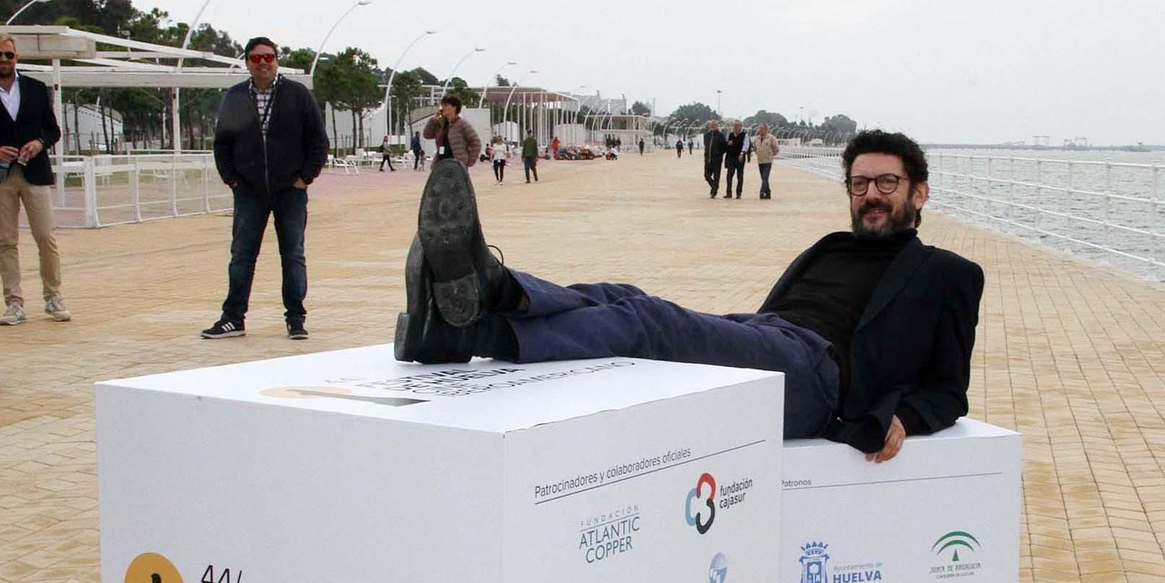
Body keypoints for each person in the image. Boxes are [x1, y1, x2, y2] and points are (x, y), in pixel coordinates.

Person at [396, 129, 982, 462]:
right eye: (859, 183)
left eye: (887, 183)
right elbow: (777, 314)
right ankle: (475, 307)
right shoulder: (832, 246)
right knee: (619, 295)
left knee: (649, 321)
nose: (871, 194)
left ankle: (479, 310)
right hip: (771, 340)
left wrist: (906, 417)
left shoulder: (948, 273)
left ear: (920, 193)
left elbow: (949, 389)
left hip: (819, 378)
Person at [204, 36, 328, 340]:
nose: (263, 63)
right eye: (256, 58)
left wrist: (305, 177)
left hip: (290, 191)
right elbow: (222, 143)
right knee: (242, 255)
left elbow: (318, 140)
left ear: (277, 60)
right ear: (247, 62)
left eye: (268, 57)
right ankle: (233, 319)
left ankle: (296, 319)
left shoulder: (297, 94)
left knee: (293, 254)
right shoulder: (235, 96)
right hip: (249, 192)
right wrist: (232, 179)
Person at [0, 32, 68, 326]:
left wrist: (40, 143)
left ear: (17, 57)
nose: (4, 59)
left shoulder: (36, 89)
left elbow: (53, 130)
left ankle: (53, 296)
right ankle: (13, 302)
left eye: (9, 54)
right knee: (6, 240)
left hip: (34, 172)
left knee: (45, 236)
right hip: (0, 175)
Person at [422, 95, 481, 167]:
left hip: (457, 165)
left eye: (445, 106)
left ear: (454, 107)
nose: (442, 108)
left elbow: (476, 142)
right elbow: (427, 135)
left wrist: (469, 161)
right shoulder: (440, 123)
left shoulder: (462, 124)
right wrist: (433, 120)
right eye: (442, 105)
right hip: (440, 162)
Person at [753, 123, 781, 200]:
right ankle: (768, 193)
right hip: (760, 161)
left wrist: (771, 155)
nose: (760, 130)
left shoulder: (771, 138)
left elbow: (776, 149)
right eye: (759, 129)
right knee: (763, 178)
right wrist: (758, 153)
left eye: (762, 129)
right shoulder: (756, 139)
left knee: (765, 176)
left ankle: (762, 192)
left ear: (766, 130)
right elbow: (754, 148)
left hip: (768, 161)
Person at [723, 119, 748, 199]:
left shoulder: (744, 135)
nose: (735, 127)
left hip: (740, 157)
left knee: (740, 176)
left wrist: (742, 153)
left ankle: (738, 193)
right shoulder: (730, 135)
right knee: (729, 175)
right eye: (735, 125)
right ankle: (728, 193)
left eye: (737, 125)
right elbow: (726, 144)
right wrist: (728, 144)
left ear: (741, 126)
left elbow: (746, 146)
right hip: (731, 157)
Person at [701, 119, 724, 198]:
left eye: (715, 125)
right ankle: (715, 186)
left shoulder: (721, 135)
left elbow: (724, 147)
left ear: (717, 126)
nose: (713, 126)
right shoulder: (706, 135)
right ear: (710, 126)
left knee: (716, 177)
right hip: (708, 159)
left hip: (717, 160)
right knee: (706, 176)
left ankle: (714, 192)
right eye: (712, 125)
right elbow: (706, 146)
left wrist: (719, 154)